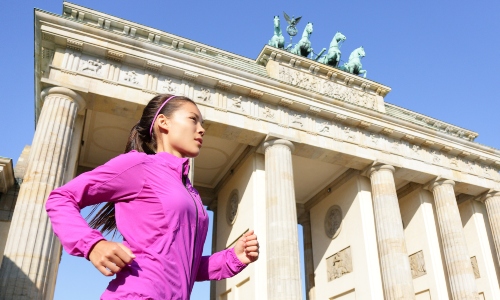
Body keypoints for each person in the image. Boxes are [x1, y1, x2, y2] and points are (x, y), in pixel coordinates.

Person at [46, 94, 259, 299]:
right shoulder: (137, 165)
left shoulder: (189, 191)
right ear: (163, 122)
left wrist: (233, 257)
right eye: (193, 120)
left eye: (202, 124)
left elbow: (183, 265)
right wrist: (92, 245)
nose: (201, 130)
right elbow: (61, 198)